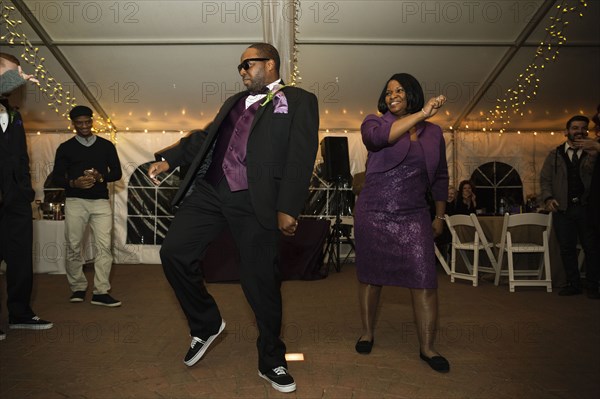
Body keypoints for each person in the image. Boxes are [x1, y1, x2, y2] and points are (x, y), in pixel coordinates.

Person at [146, 43, 319, 393]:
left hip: (255, 200)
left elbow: (302, 153)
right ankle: (206, 324)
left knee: (261, 283)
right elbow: (206, 139)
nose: (242, 72)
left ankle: (272, 360)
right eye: (239, 68)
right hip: (211, 191)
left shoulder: (299, 100)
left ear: (270, 64)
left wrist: (288, 205)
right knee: (174, 252)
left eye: (247, 65)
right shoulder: (233, 104)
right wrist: (170, 159)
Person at [353, 72, 450, 373]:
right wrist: (422, 113)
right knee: (371, 276)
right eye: (388, 91)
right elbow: (380, 139)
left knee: (425, 279)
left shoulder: (434, 133)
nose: (392, 95)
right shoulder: (375, 122)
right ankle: (367, 332)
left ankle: (428, 348)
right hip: (374, 210)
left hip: (413, 213)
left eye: (399, 90)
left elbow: (442, 177)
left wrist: (440, 215)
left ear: (412, 93)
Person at [0, 52, 53, 341]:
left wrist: (25, 191)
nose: (18, 79)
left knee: (21, 259)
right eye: (12, 73)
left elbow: (20, 157)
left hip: (16, 200)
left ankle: (20, 313)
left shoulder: (14, 114)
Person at [51, 105, 123, 306]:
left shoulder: (106, 146)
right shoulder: (65, 148)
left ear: (93, 121)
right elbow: (56, 177)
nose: (84, 126)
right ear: (73, 124)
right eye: (79, 123)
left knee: (104, 247)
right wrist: (74, 183)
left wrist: (101, 177)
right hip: (76, 202)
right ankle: (78, 287)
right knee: (74, 245)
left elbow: (117, 173)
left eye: (87, 122)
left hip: (100, 202)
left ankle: (101, 291)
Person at [540, 115, 599, 298]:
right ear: (567, 132)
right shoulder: (554, 154)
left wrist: (594, 155)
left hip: (586, 208)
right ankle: (573, 284)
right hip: (563, 209)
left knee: (592, 248)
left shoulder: (594, 153)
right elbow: (545, 179)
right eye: (575, 128)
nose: (579, 131)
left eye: (583, 128)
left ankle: (593, 286)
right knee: (566, 248)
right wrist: (548, 198)